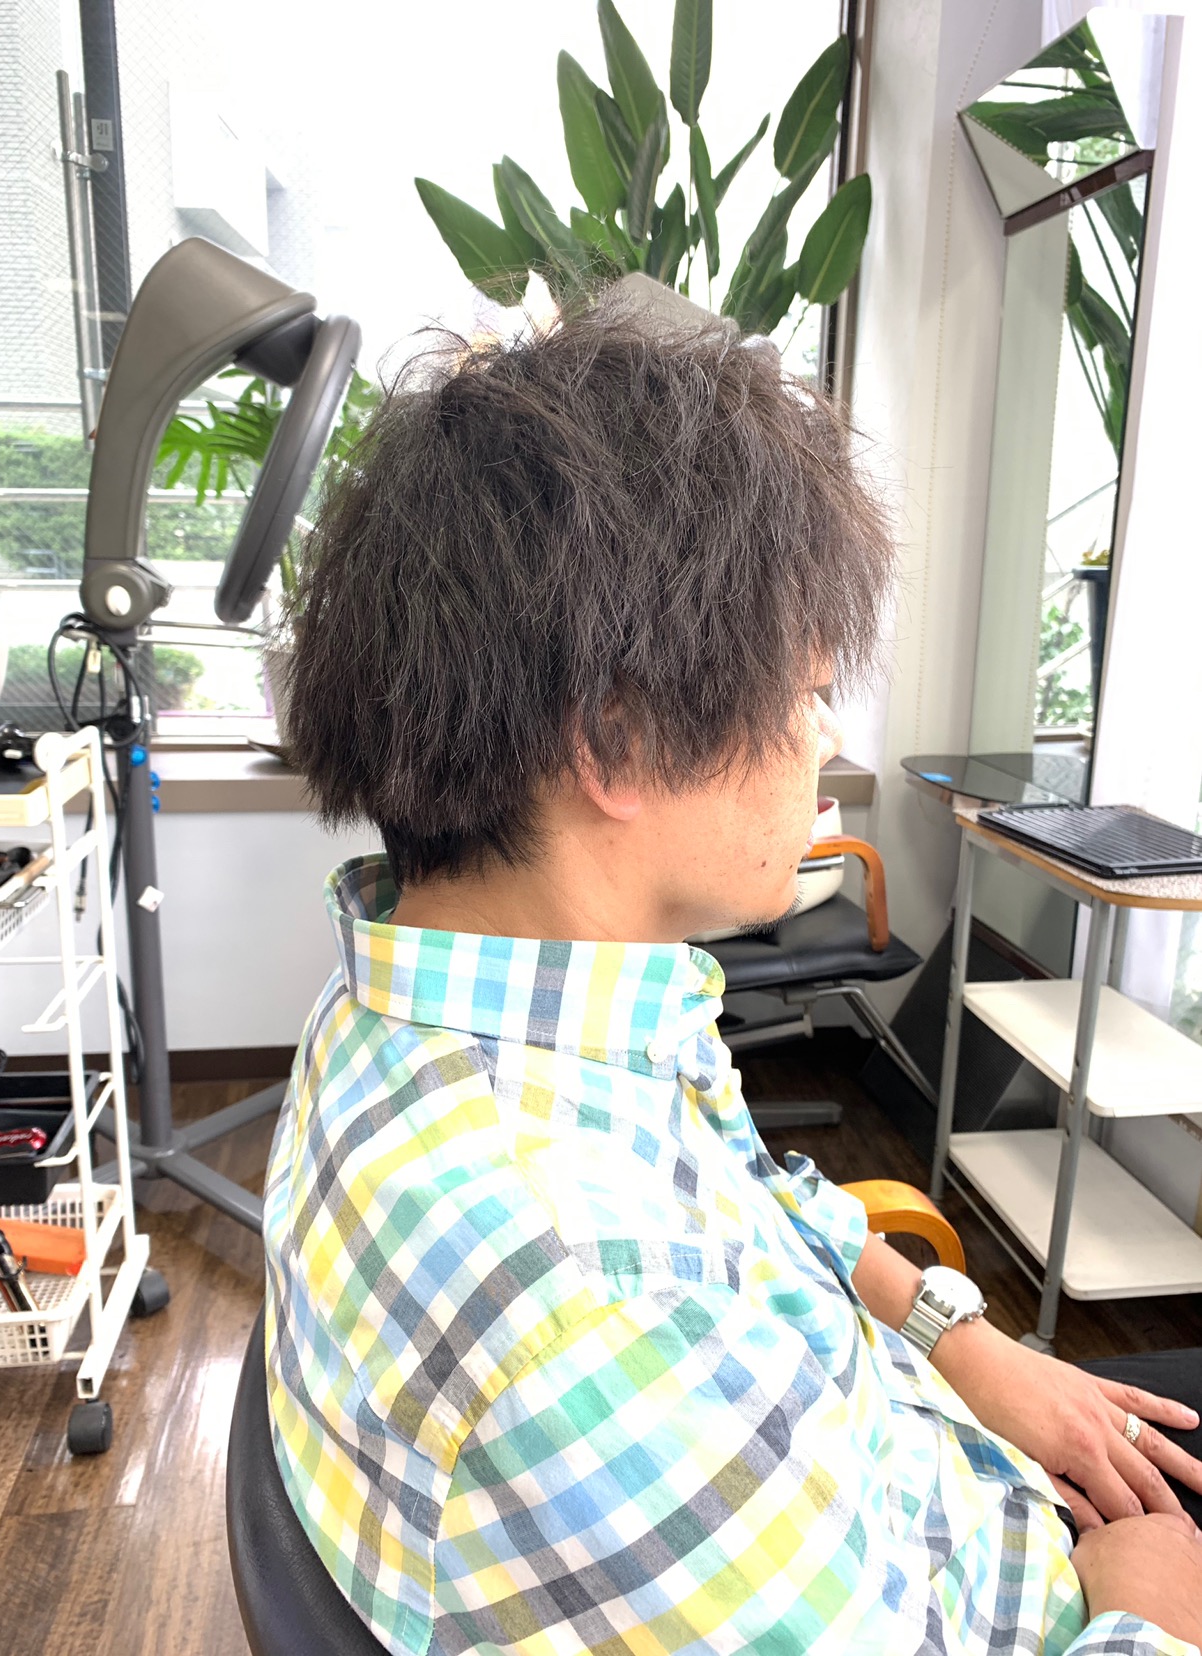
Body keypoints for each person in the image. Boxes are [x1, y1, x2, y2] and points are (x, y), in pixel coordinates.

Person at [263, 278, 1202, 1655]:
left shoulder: (471, 1014)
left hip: (936, 1453)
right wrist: (1152, 1605)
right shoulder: (595, 1318)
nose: (827, 741)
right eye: (809, 693)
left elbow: (759, 1198)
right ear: (621, 741)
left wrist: (962, 1340)